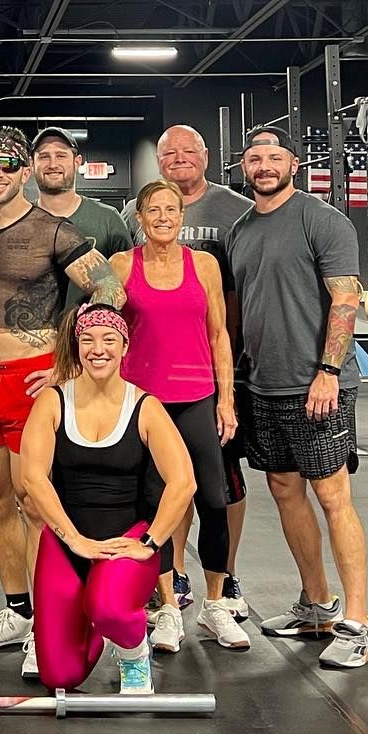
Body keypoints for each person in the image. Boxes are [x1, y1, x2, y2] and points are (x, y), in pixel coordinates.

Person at [0, 125, 124, 680]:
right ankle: (18, 611)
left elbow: (110, 288)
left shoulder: (53, 230)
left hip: (30, 379)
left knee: (37, 505)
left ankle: (48, 622)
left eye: (8, 164)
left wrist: (67, 360)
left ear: (23, 171)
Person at [226, 126, 368, 670]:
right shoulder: (241, 230)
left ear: (293, 162)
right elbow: (241, 312)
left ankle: (359, 624)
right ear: (243, 166)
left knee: (333, 496)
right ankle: (317, 606)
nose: (263, 165)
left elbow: (345, 299)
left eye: (273, 157)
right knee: (285, 490)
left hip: (318, 385)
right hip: (262, 384)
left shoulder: (322, 219)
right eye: (254, 157)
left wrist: (329, 371)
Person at [21, 304, 195, 694]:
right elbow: (32, 476)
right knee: (59, 676)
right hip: (69, 542)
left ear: (124, 346)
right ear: (77, 346)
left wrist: (149, 543)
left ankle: (133, 654)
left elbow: (183, 481)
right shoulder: (52, 401)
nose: (97, 349)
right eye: (87, 340)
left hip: (125, 539)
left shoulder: (145, 406)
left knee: (110, 608)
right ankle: (91, 617)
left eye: (108, 340)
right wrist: (74, 539)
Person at [111, 180, 248, 655]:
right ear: (140, 217)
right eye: (154, 210)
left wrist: (226, 399)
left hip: (197, 397)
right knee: (155, 506)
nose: (164, 217)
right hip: (145, 406)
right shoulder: (122, 265)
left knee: (214, 499)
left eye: (172, 209)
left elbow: (219, 335)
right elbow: (101, 329)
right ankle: (168, 607)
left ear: (182, 216)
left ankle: (215, 605)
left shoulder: (204, 265)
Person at [30, 127, 132, 304]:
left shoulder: (108, 219)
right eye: (44, 156)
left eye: (61, 156)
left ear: (77, 162)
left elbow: (128, 285)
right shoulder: (19, 221)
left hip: (89, 330)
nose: (52, 164)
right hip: (32, 329)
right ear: (31, 164)